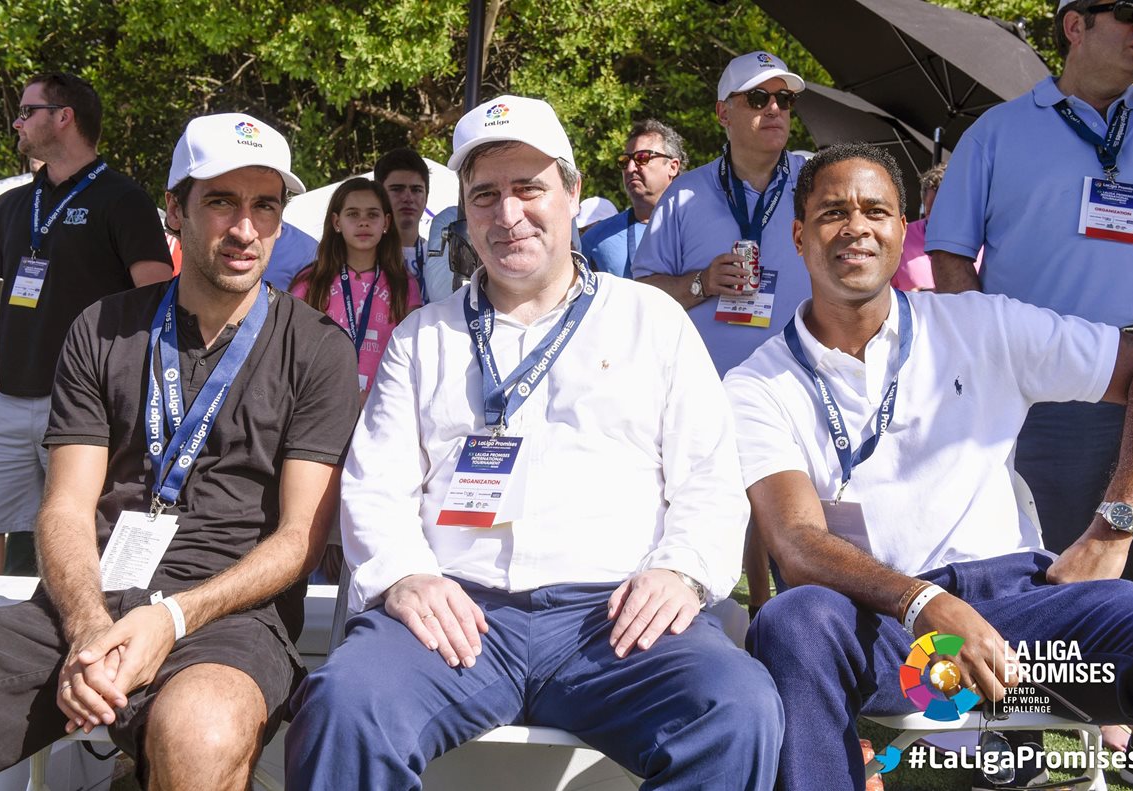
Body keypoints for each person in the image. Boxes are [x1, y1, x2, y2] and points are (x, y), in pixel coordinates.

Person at [284, 94, 782, 790]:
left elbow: (709, 475)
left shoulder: (652, 321)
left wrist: (682, 570)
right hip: (453, 617)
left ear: (573, 194)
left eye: (530, 188)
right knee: (343, 704)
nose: (508, 214)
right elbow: (375, 485)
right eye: (485, 195)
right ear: (463, 211)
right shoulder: (422, 337)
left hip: (615, 620)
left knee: (737, 707)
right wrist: (404, 574)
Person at [726, 143, 1133, 791]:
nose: (856, 225)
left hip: (1030, 625)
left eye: (876, 210)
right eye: (832, 212)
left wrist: (1115, 526)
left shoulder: (979, 324)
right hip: (890, 638)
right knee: (792, 622)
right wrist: (925, 603)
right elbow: (797, 544)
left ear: (900, 230)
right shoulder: (758, 383)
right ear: (800, 235)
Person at [0, 112, 359, 788]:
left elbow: (302, 536)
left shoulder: (318, 347)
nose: (244, 229)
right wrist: (92, 623)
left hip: (229, 619)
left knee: (201, 731)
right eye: (220, 202)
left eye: (264, 206)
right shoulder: (104, 326)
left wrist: (173, 616)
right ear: (174, 211)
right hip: (85, 601)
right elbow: (66, 505)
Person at [927, 0, 1133, 594]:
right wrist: (987, 363)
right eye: (1126, 11)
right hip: (1051, 385)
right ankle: (1062, 691)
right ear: (1075, 25)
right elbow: (949, 256)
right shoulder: (995, 131)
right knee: (1057, 583)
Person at [0, 72, 172, 575]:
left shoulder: (123, 199)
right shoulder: (12, 203)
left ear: (63, 117)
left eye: (27, 111)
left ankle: (59, 632)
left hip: (81, 404)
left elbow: (154, 294)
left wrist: (125, 384)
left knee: (70, 522)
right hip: (2, 397)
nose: (17, 122)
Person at [633, 51, 811, 378]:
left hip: (799, 390)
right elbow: (643, 297)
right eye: (757, 98)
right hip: (706, 391)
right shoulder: (685, 194)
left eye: (784, 99)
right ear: (723, 113)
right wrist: (702, 283)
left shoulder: (818, 184)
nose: (774, 108)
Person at [290, 177, 422, 397]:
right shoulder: (310, 282)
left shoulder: (405, 285)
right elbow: (293, 352)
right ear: (336, 222)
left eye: (372, 214)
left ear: (386, 223)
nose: (363, 222)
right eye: (352, 214)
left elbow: (414, 355)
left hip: (385, 406)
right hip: (319, 405)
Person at [582, 119, 687, 278]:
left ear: (672, 167)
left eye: (642, 158)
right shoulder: (596, 238)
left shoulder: (702, 226)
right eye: (624, 161)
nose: (630, 168)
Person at [374, 147, 453, 303]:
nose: (408, 198)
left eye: (416, 190)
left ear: (426, 197)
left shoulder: (444, 258)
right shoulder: (364, 256)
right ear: (378, 195)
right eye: (397, 189)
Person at [891, 162, 981, 292]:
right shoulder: (900, 237)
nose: (936, 220)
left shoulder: (982, 242)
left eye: (946, 212)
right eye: (930, 212)